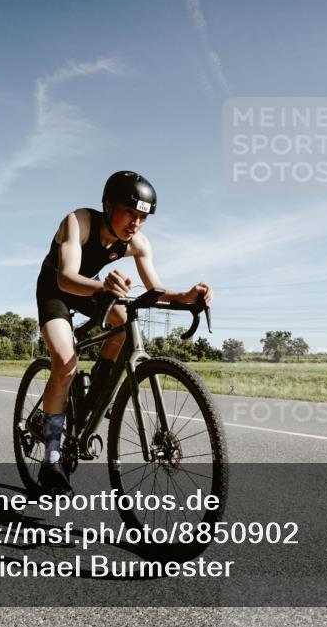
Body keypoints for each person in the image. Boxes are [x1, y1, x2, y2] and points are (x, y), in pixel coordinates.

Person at [33, 170, 212, 495]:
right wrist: (103, 286)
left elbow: (155, 289)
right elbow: (66, 277)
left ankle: (93, 398)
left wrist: (185, 296)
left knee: (123, 326)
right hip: (57, 287)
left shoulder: (138, 243)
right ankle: (51, 458)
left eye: (143, 216)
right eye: (130, 212)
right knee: (65, 362)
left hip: (94, 290)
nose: (136, 222)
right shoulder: (79, 221)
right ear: (108, 206)